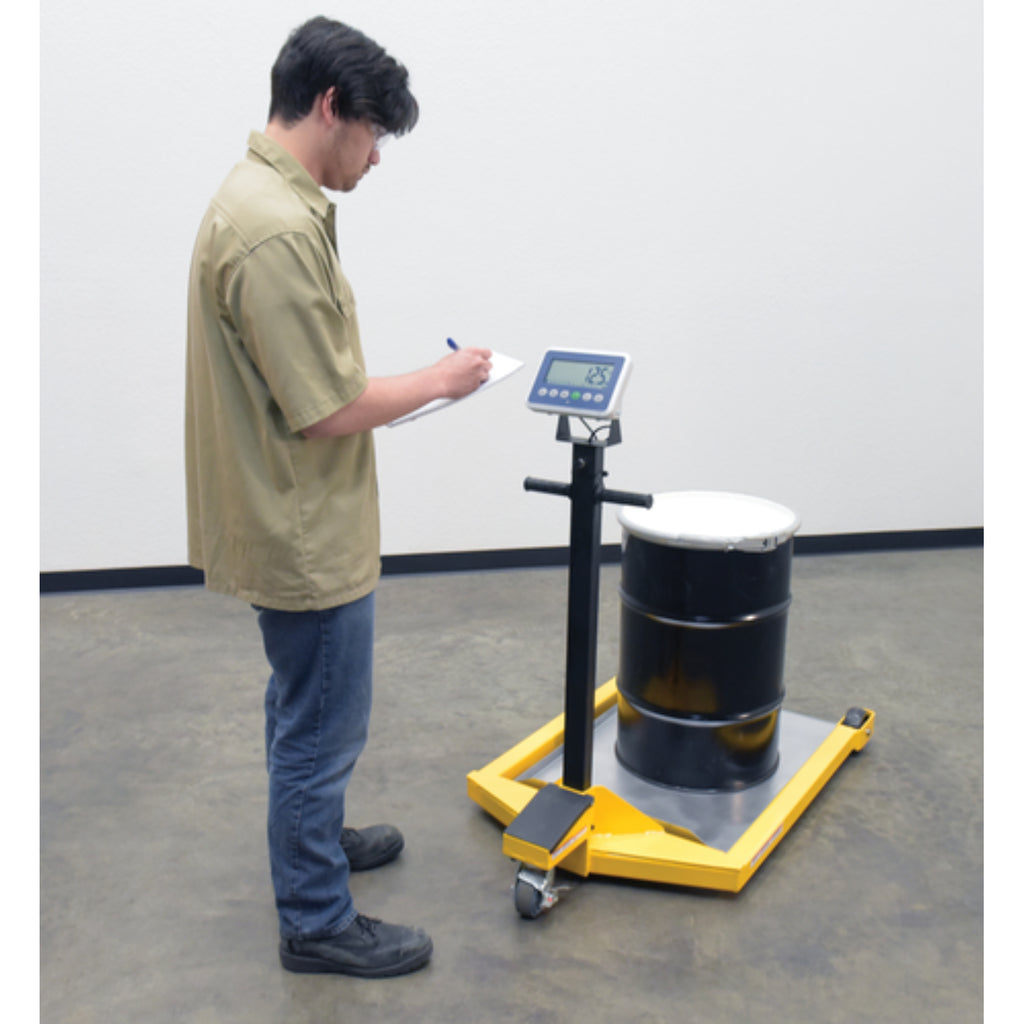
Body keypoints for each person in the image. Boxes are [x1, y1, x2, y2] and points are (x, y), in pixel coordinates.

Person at [185, 16, 491, 978]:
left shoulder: (261, 201)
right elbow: (326, 409)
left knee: (304, 706)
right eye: (374, 133)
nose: (376, 156)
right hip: (303, 529)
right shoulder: (274, 231)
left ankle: (313, 841)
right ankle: (316, 917)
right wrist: (442, 381)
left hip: (290, 508)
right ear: (330, 107)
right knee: (320, 724)